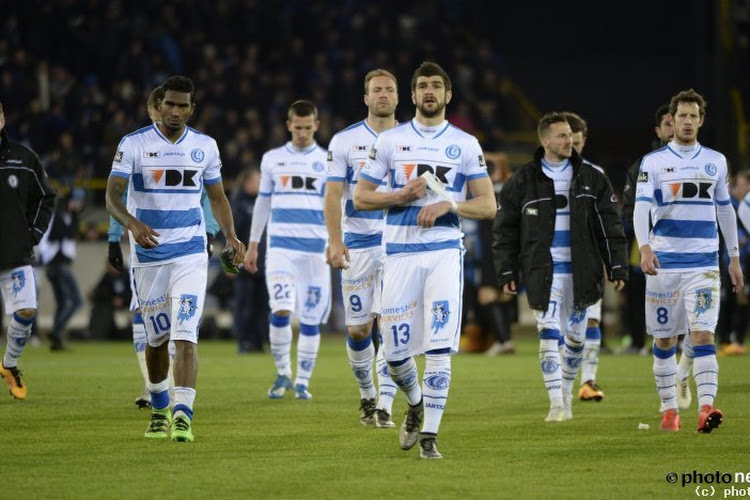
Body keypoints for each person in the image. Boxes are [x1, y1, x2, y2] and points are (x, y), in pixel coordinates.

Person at [354, 62, 497, 459]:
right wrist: (400, 196)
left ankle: (430, 436)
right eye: (422, 86)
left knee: (437, 348)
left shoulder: (466, 144)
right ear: (412, 96)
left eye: (436, 85)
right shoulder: (390, 142)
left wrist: (448, 203)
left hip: (444, 254)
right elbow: (361, 197)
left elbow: (488, 206)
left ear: (448, 95)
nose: (429, 91)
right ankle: (415, 404)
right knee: (396, 352)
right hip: (398, 254)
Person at [105, 75, 245, 442]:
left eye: (184, 106)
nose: (176, 111)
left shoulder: (205, 146)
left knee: (185, 334)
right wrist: (131, 225)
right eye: (170, 104)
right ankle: (159, 405)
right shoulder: (133, 144)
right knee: (156, 339)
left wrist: (230, 235)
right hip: (149, 255)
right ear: (159, 105)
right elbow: (112, 197)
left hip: (190, 252)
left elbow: (217, 197)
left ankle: (183, 414)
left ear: (191, 109)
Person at [493, 112, 627, 423]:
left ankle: (567, 391)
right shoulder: (523, 180)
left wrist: (617, 265)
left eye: (570, 135)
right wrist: (507, 271)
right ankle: (556, 402)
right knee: (548, 332)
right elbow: (505, 229)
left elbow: (610, 223)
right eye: (563, 136)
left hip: (582, 271)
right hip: (544, 270)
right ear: (545, 140)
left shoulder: (592, 177)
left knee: (576, 340)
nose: (570, 141)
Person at [634, 88, 742, 433]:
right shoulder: (652, 163)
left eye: (693, 116)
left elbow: (725, 210)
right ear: (672, 119)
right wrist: (645, 247)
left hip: (704, 264)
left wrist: (734, 257)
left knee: (703, 334)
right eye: (681, 116)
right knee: (665, 340)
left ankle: (706, 406)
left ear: (701, 120)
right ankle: (669, 410)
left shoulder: (716, 161)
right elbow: (640, 208)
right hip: (665, 264)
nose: (687, 121)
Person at [325, 69, 400, 427]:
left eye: (389, 90)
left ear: (399, 98)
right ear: (366, 98)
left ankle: (384, 402)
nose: (383, 95)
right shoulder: (344, 140)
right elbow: (333, 195)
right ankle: (367, 394)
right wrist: (335, 240)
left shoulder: (413, 139)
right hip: (357, 245)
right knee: (359, 330)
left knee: (391, 323)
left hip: (400, 245)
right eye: (377, 90)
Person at [243, 100, 330, 401]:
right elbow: (263, 203)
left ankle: (303, 380)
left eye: (309, 127)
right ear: (289, 124)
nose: (303, 132)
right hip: (280, 248)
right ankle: (283, 373)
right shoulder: (272, 159)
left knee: (310, 318)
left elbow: (335, 207)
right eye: (298, 126)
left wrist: (336, 243)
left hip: (316, 250)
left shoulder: (328, 161)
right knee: (280, 309)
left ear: (316, 126)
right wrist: (253, 244)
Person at [0, 100, 56, 400]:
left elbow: (46, 197)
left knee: (27, 310)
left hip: (14, 252)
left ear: (2, 119)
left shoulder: (23, 158)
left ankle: (9, 365)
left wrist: (33, 233)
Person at [562, 111, 608, 402]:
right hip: (553, 263)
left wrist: (606, 260)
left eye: (577, 143)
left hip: (587, 262)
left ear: (584, 141)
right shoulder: (540, 173)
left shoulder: (596, 175)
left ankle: (588, 381)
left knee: (590, 321)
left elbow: (605, 222)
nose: (572, 148)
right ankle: (560, 387)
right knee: (558, 325)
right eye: (567, 141)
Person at [621, 104, 673, 357]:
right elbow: (628, 208)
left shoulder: (704, 161)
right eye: (668, 124)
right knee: (639, 294)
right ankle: (639, 342)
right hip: (646, 243)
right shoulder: (642, 165)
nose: (674, 129)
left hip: (685, 245)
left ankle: (683, 342)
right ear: (658, 130)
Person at [36, 187, 85, 351]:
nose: (77, 204)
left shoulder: (68, 217)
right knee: (76, 300)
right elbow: (56, 235)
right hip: (58, 265)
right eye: (75, 201)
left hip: (56, 266)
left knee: (63, 302)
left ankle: (56, 341)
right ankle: (56, 332)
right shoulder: (58, 217)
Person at [230, 167, 268, 353]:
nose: (261, 182)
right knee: (245, 305)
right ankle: (243, 341)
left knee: (262, 305)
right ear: (247, 182)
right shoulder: (238, 204)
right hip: (243, 264)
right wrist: (229, 264)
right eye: (257, 179)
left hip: (264, 264)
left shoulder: (264, 202)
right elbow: (232, 235)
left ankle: (259, 341)